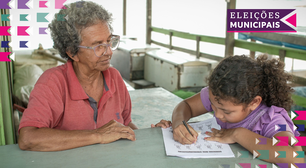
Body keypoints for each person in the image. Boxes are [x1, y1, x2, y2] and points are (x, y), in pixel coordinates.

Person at [18, 1, 137, 152]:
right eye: (98, 46)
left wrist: (154, 135)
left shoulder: (114, 77)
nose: (109, 52)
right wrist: (97, 135)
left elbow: (126, 124)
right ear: (72, 52)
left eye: (109, 41)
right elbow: (28, 138)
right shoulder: (52, 82)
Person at [152, 55, 304, 164]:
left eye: (226, 112)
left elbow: (295, 156)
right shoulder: (219, 96)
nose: (217, 114)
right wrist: (180, 123)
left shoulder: (272, 120)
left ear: (254, 102)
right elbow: (186, 106)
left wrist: (238, 134)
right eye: (212, 105)